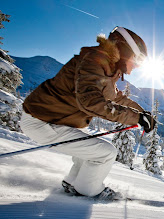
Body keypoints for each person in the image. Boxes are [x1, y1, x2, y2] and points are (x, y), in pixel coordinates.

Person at [20, 27, 155, 200]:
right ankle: (88, 191)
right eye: (138, 59)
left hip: (53, 119)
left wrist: (142, 113)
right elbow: (90, 102)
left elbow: (116, 98)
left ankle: (73, 183)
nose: (137, 66)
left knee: (90, 152)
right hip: (43, 120)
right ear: (125, 51)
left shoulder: (106, 66)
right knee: (105, 153)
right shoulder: (94, 61)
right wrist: (136, 117)